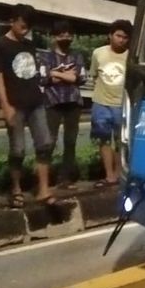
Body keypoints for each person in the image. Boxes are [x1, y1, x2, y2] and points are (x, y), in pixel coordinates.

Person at [0, 4, 54, 207]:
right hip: (15, 104)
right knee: (18, 150)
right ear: (12, 21)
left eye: (28, 27)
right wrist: (5, 106)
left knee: (45, 144)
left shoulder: (29, 45)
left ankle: (43, 189)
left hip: (35, 102)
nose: (26, 30)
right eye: (23, 25)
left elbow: (33, 73)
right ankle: (16, 188)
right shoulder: (0, 46)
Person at [39, 20, 86, 190]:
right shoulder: (46, 56)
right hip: (53, 102)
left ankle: (65, 177)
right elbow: (44, 78)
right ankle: (45, 179)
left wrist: (56, 73)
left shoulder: (77, 56)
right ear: (54, 37)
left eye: (68, 34)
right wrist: (67, 75)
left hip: (73, 102)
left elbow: (80, 78)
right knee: (49, 141)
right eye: (61, 34)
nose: (65, 37)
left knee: (70, 141)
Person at [89, 19, 131, 188]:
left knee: (122, 141)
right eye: (118, 35)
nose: (121, 40)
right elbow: (94, 76)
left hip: (122, 104)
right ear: (110, 35)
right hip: (101, 103)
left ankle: (121, 174)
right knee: (104, 140)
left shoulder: (130, 57)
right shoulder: (98, 53)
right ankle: (109, 175)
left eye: (125, 37)